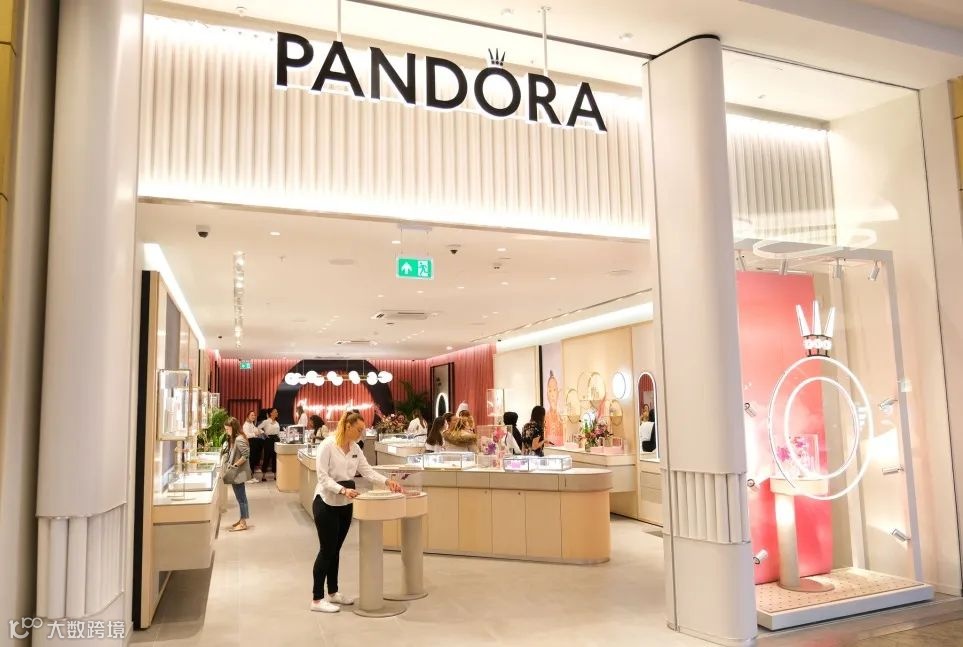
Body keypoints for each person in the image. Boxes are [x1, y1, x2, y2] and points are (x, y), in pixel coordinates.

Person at [311, 412, 403, 613]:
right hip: (325, 502)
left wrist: (387, 481)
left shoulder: (355, 448)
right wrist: (342, 490)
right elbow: (322, 477)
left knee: (336, 550)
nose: (362, 433)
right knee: (327, 550)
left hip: (345, 504)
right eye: (359, 429)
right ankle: (317, 599)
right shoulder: (327, 445)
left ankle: (333, 592)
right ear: (347, 426)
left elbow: (367, 471)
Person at [224, 417, 253, 531]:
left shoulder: (239, 439)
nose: (226, 431)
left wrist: (235, 465)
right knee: (241, 498)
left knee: (241, 499)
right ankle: (242, 519)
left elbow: (246, 455)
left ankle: (243, 522)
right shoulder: (236, 438)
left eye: (227, 429)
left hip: (238, 473)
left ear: (233, 428)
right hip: (237, 472)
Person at [258, 408, 281, 480]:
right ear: (271, 413)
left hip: (276, 440)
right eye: (275, 412)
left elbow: (278, 433)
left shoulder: (277, 423)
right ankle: (263, 475)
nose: (277, 413)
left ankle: (275, 475)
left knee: (275, 457)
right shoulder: (266, 421)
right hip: (268, 440)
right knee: (267, 457)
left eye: (277, 412)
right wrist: (263, 434)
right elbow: (258, 428)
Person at [544, 371, 564, 447]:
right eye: (550, 391)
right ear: (547, 395)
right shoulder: (545, 417)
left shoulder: (562, 417)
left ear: (558, 393)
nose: (552, 394)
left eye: (554, 390)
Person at [243, 411, 262, 483]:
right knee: (250, 461)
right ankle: (248, 478)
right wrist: (255, 434)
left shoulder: (251, 424)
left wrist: (260, 431)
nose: (254, 416)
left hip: (254, 443)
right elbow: (246, 435)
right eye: (252, 415)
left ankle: (251, 476)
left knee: (253, 461)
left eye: (254, 415)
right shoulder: (246, 425)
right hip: (249, 443)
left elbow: (256, 430)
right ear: (248, 416)